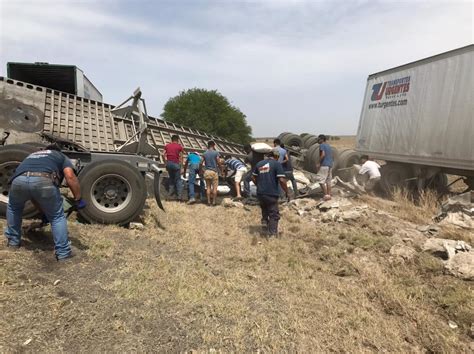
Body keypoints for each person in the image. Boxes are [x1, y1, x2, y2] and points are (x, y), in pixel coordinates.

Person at [4, 144, 85, 261]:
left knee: (14, 208)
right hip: (43, 179)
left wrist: (44, 213)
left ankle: (13, 243)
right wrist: (78, 198)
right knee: (57, 216)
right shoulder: (60, 156)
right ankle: (63, 253)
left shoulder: (32, 155)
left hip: (18, 180)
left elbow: (33, 195)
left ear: (45, 150)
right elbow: (70, 176)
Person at [252, 149, 289, 237]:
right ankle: (272, 234)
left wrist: (259, 185)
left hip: (260, 193)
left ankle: (264, 222)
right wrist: (287, 191)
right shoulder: (277, 164)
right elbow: (282, 180)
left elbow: (253, 177)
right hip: (271, 193)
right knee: (274, 214)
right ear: (276, 156)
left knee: (264, 208)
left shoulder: (259, 163)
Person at [163, 135, 184, 201]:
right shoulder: (179, 147)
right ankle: (179, 197)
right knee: (178, 180)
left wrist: (165, 162)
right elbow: (181, 156)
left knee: (171, 179)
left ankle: (170, 195)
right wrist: (182, 167)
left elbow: (163, 154)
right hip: (175, 164)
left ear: (171, 140)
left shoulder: (167, 146)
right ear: (177, 140)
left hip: (169, 164)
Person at [201, 141, 222, 206]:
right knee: (215, 188)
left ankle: (208, 202)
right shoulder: (216, 153)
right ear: (214, 145)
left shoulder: (204, 153)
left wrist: (201, 170)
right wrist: (221, 170)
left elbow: (200, 162)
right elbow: (218, 162)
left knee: (208, 187)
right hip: (214, 172)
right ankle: (214, 202)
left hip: (207, 171)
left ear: (208, 145)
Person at [315, 134, 333, 201]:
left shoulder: (321, 145)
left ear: (322, 139)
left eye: (318, 139)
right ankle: (329, 195)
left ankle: (325, 196)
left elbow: (323, 155)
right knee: (328, 181)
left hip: (324, 165)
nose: (317, 140)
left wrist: (318, 163)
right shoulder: (328, 145)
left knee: (321, 181)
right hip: (330, 165)